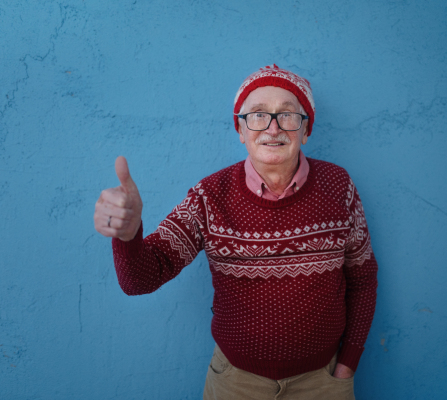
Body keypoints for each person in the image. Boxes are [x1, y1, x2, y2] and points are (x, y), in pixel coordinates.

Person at [94, 64, 378, 400]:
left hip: (323, 382)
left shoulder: (338, 186)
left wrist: (347, 364)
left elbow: (363, 278)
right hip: (237, 384)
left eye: (287, 115)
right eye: (257, 115)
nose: (273, 128)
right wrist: (128, 236)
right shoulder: (209, 196)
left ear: (306, 129)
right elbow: (140, 279)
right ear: (240, 129)